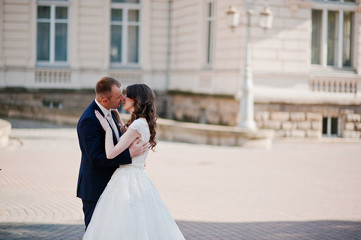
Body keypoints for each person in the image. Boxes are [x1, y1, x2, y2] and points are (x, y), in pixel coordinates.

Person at [82, 84, 185, 240]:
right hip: (136, 178)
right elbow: (127, 140)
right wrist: (118, 123)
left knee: (122, 225)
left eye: (127, 95)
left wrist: (109, 131)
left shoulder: (137, 125)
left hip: (127, 179)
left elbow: (110, 153)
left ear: (136, 100)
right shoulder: (140, 123)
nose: (123, 98)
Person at [76, 76, 149, 228]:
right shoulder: (89, 120)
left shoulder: (113, 113)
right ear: (104, 100)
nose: (123, 98)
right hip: (96, 189)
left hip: (114, 187)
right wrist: (129, 155)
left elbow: (120, 141)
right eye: (118, 96)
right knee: (96, 233)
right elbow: (96, 159)